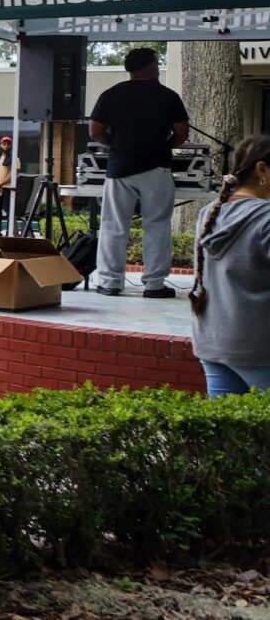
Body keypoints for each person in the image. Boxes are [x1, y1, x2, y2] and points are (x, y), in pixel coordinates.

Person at [88, 47, 191, 298]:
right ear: (148, 66)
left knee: (113, 225)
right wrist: (165, 145)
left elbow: (94, 130)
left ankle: (110, 282)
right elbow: (182, 132)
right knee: (156, 226)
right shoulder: (167, 96)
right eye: (156, 63)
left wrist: (115, 144)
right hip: (157, 167)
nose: (158, 67)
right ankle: (154, 284)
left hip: (120, 167)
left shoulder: (111, 94)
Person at [190, 135, 270, 396]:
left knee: (228, 431)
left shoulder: (209, 212)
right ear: (262, 170)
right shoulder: (265, 217)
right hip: (259, 347)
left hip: (213, 342)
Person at [0, 136, 16, 230]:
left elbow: (12, 175)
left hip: (8, 188)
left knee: (9, 211)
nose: (6, 146)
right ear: (0, 145)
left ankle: (9, 232)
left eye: (8, 144)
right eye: (4, 144)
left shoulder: (14, 158)